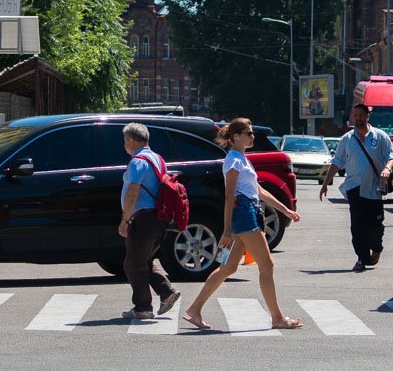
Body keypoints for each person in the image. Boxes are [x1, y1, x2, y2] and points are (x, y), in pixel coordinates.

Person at [182, 118, 303, 330]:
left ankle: (194, 309)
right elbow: (229, 196)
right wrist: (227, 229)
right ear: (237, 137)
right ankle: (277, 318)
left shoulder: (242, 159)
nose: (253, 136)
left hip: (249, 213)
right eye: (249, 133)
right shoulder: (234, 160)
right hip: (244, 214)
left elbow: (259, 191)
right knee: (267, 266)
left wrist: (285, 210)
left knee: (228, 267)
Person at [319, 102, 393, 271]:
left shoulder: (380, 136)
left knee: (375, 226)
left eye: (361, 115)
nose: (358, 119)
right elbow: (337, 162)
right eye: (355, 116)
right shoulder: (347, 139)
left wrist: (386, 169)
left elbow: (392, 156)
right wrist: (325, 184)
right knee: (358, 227)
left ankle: (376, 248)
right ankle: (362, 258)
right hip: (354, 188)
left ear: (367, 116)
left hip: (374, 189)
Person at [117, 122, 180, 320]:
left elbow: (133, 192)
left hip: (143, 219)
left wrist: (125, 220)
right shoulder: (158, 158)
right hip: (158, 218)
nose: (124, 145)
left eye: (125, 141)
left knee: (133, 264)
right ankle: (167, 293)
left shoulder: (138, 161)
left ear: (131, 140)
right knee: (145, 260)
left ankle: (143, 308)